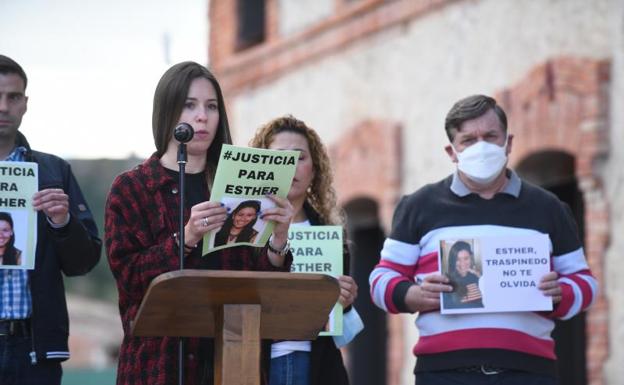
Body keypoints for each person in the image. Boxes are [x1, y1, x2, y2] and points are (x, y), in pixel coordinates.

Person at [369, 94, 597, 385]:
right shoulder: (418, 206)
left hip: (529, 372)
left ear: (508, 143)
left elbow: (585, 283)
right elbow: (380, 280)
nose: (482, 147)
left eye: (491, 136)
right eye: (468, 140)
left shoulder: (548, 207)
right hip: (443, 373)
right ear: (452, 151)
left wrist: (561, 293)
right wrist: (413, 295)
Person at [105, 61, 294, 385]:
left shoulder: (240, 180)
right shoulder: (132, 188)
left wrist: (278, 239)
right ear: (167, 111)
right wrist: (186, 236)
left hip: (235, 357)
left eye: (211, 106)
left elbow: (261, 280)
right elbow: (130, 279)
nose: (202, 117)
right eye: (189, 105)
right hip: (160, 365)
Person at [0, 55, 101, 385]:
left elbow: (83, 262)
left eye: (13, 97)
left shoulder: (53, 171)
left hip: (33, 348)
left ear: (25, 104)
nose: (3, 107)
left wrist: (62, 222)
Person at [251, 115, 360, 385]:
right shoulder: (242, 230)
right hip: (255, 366)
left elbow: (340, 335)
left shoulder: (332, 237)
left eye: (299, 157)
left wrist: (345, 305)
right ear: (262, 166)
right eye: (279, 157)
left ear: (314, 170)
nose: (290, 166)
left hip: (317, 369)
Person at [442, 240, 483, 309]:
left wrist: (481, 279)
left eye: (466, 258)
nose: (462, 263)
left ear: (471, 258)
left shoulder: (478, 278)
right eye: (458, 259)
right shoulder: (446, 282)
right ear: (453, 261)